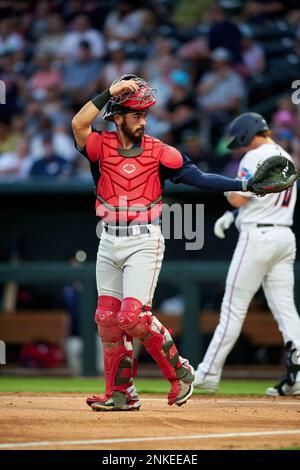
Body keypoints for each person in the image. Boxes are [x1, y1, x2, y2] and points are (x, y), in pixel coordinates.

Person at [71, 76, 280, 412]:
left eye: (145, 115)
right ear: (118, 116)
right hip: (108, 239)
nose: (143, 120)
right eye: (136, 114)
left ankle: (180, 372)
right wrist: (109, 91)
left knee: (131, 318)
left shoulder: (160, 152)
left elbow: (200, 178)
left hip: (143, 240)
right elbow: (79, 122)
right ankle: (122, 393)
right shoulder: (99, 146)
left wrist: (246, 184)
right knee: (106, 318)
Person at [193, 112, 300, 396]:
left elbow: (239, 195)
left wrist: (230, 199)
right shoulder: (286, 156)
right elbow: (259, 199)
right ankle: (298, 377)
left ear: (246, 133)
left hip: (257, 238)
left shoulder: (253, 156)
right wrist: (234, 216)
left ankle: (207, 374)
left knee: (232, 308)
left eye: (239, 141)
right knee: (286, 310)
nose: (238, 147)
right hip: (285, 236)